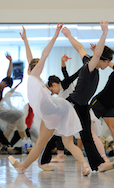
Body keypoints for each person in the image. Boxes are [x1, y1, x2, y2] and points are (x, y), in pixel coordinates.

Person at [8, 24, 91, 176]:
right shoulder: (36, 79)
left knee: (40, 143)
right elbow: (30, 58)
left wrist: (55, 35)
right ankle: (85, 165)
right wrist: (25, 40)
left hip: (52, 110)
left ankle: (22, 167)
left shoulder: (34, 76)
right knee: (67, 142)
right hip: (62, 108)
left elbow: (43, 55)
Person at [61, 21, 114, 172]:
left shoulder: (87, 60)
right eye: (108, 62)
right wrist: (104, 32)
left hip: (82, 105)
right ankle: (44, 157)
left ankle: (98, 165)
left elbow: (79, 47)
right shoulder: (90, 66)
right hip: (73, 104)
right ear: (102, 60)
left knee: (86, 135)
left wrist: (69, 36)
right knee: (57, 133)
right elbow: (98, 53)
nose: (108, 65)